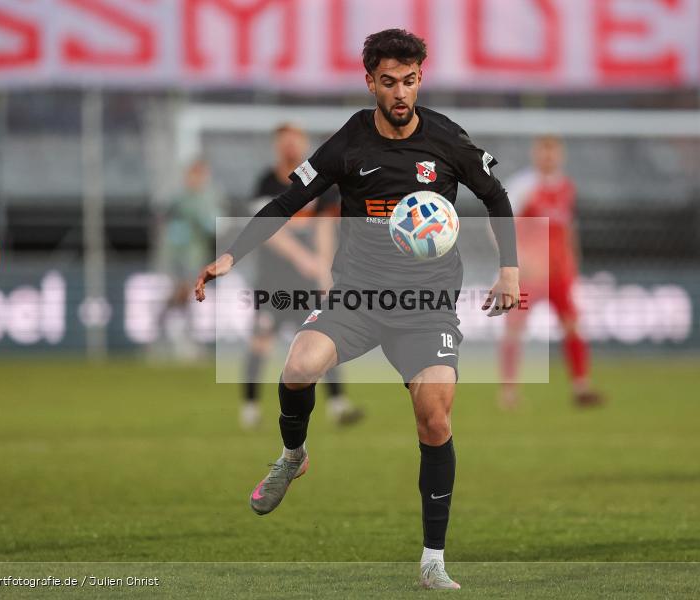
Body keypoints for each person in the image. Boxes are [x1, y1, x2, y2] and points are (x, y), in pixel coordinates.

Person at [195, 29, 519, 589]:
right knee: (297, 366)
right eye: (389, 82)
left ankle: (433, 561)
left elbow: (496, 195)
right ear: (369, 81)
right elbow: (285, 201)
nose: (400, 93)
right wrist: (231, 255)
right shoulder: (347, 144)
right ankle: (293, 454)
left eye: (410, 81)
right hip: (359, 296)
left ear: (421, 78)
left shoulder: (447, 140)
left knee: (435, 419)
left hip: (426, 305)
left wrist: (509, 269)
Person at [241, 123, 364, 430]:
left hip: (307, 282)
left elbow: (325, 230)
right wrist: (303, 257)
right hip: (272, 281)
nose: (290, 148)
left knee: (321, 342)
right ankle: (251, 407)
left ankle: (337, 404)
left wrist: (323, 271)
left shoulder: (319, 182)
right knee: (261, 341)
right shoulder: (265, 183)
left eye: (295, 142)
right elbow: (268, 231)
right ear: (276, 146)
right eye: (284, 142)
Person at [500, 136, 604, 408]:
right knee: (515, 328)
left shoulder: (566, 187)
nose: (549, 158)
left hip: (559, 272)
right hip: (530, 274)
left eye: (553, 153)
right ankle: (509, 392)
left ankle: (581, 386)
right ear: (536, 155)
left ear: (560, 156)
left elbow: (567, 227)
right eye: (544, 152)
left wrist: (573, 260)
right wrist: (517, 259)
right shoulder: (523, 187)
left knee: (572, 325)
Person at [156, 157, 220, 360]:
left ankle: (169, 334)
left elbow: (213, 226)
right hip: (179, 257)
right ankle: (181, 338)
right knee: (185, 293)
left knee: (186, 296)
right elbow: (165, 216)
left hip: (196, 256)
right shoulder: (180, 199)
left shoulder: (208, 198)